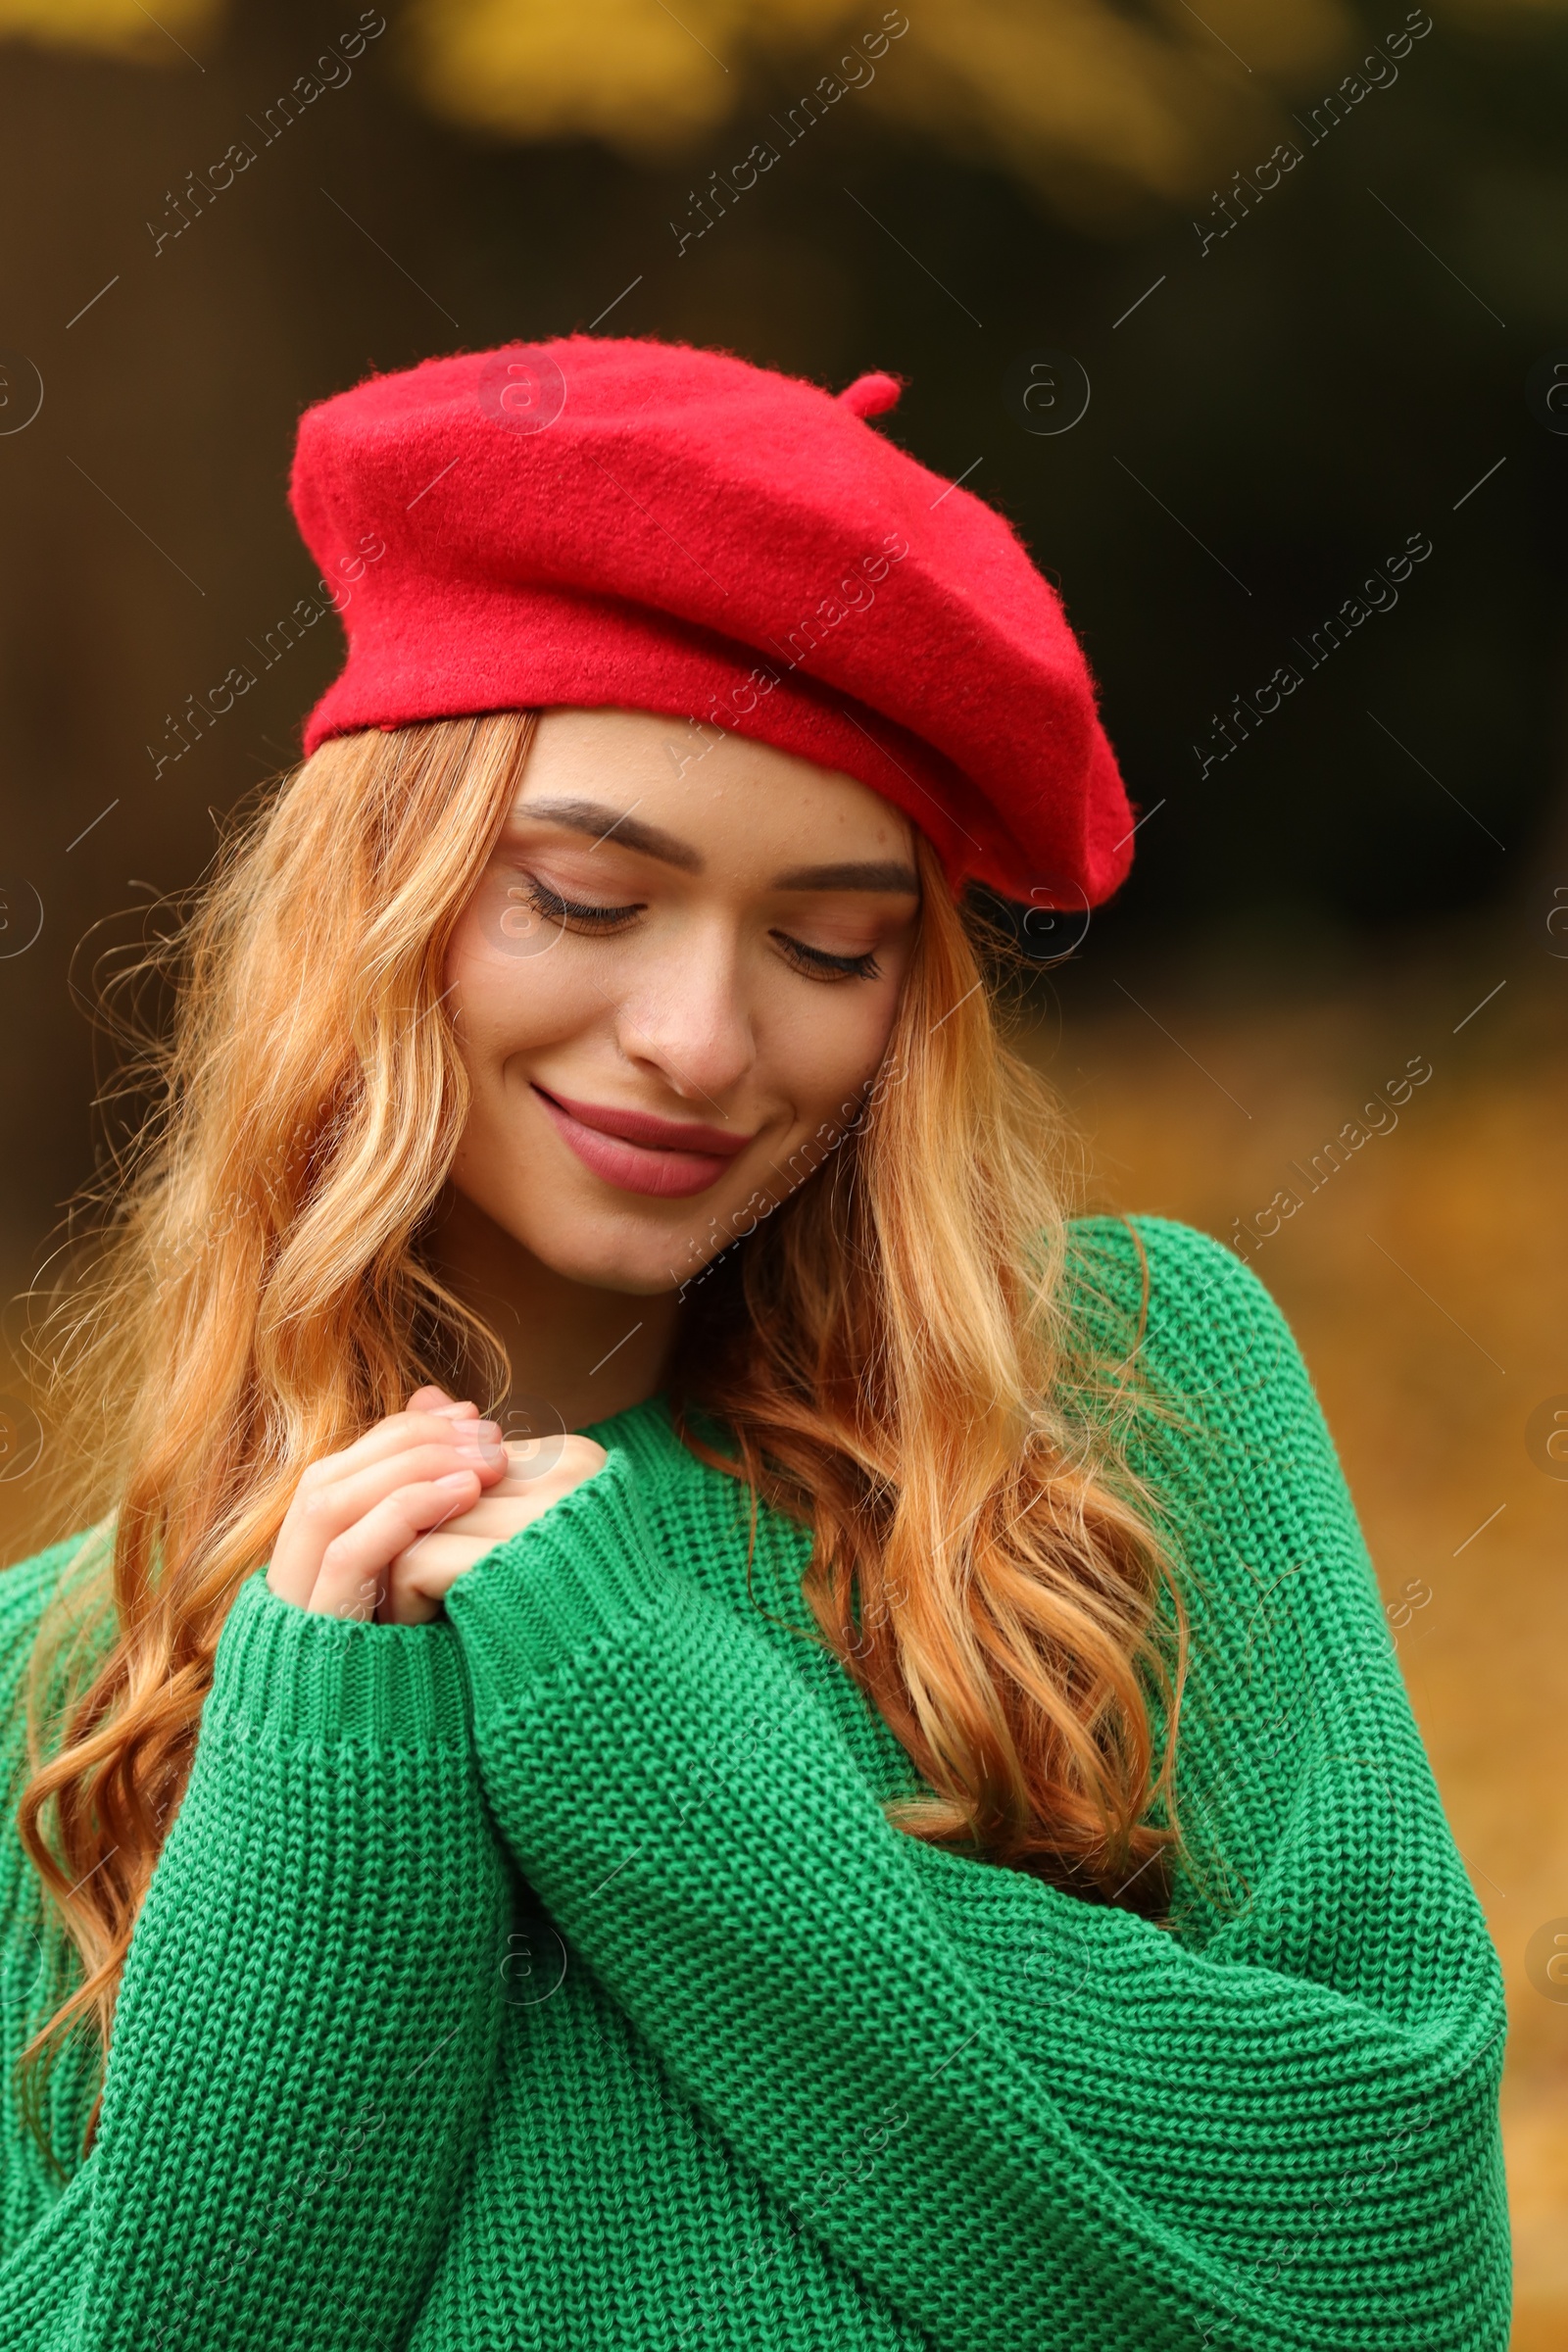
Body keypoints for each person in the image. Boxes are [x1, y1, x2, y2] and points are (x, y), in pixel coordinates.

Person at [0, 337, 1508, 2350]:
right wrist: (320, 1769)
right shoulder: (67, 1686)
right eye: (582, 896)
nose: (702, 1041)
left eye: (826, 945)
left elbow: (1383, 2259)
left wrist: (651, 1747)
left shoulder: (1116, 1410)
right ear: (373, 908)